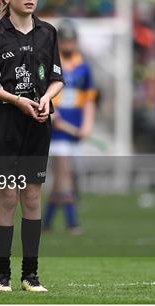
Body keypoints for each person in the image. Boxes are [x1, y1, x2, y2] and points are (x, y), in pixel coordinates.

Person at [0, 0, 64, 292]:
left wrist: (45, 100)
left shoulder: (49, 32)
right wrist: (17, 100)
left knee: (33, 196)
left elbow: (56, 78)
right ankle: (1, 275)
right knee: (8, 196)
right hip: (6, 122)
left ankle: (31, 274)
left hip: (38, 121)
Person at [43, 19, 96, 235]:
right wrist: (52, 115)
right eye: (63, 40)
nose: (67, 44)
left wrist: (86, 126)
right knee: (64, 173)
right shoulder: (49, 65)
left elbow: (89, 99)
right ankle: (72, 222)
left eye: (70, 40)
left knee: (62, 178)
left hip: (74, 130)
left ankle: (45, 223)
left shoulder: (83, 67)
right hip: (56, 132)